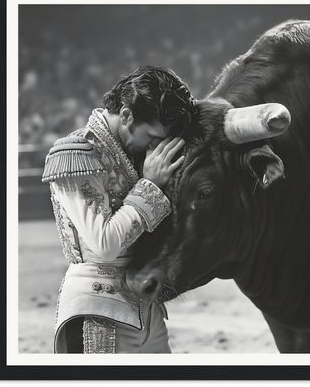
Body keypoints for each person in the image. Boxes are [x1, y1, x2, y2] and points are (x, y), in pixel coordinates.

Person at [42, 65, 197, 353]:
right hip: (97, 311)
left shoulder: (133, 153)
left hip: (148, 310)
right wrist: (150, 184)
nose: (155, 146)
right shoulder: (78, 153)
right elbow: (105, 245)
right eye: (152, 136)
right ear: (126, 115)